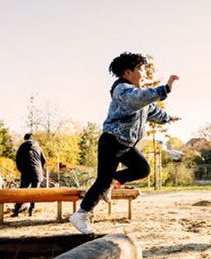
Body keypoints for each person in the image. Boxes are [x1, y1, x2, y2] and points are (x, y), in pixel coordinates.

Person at [69, 52, 181, 234]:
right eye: (140, 70)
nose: (142, 74)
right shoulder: (122, 90)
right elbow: (140, 98)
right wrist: (165, 88)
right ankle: (81, 214)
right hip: (112, 141)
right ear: (128, 72)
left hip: (126, 145)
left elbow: (152, 111)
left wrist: (168, 118)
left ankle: (114, 181)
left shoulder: (138, 95)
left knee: (143, 169)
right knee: (102, 180)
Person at [12, 133, 46, 217]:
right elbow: (44, 160)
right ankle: (31, 210)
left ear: (25, 139)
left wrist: (21, 170)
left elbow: (17, 160)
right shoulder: (38, 147)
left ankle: (16, 211)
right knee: (34, 193)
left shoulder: (22, 147)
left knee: (22, 192)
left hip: (26, 173)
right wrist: (40, 169)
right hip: (37, 173)